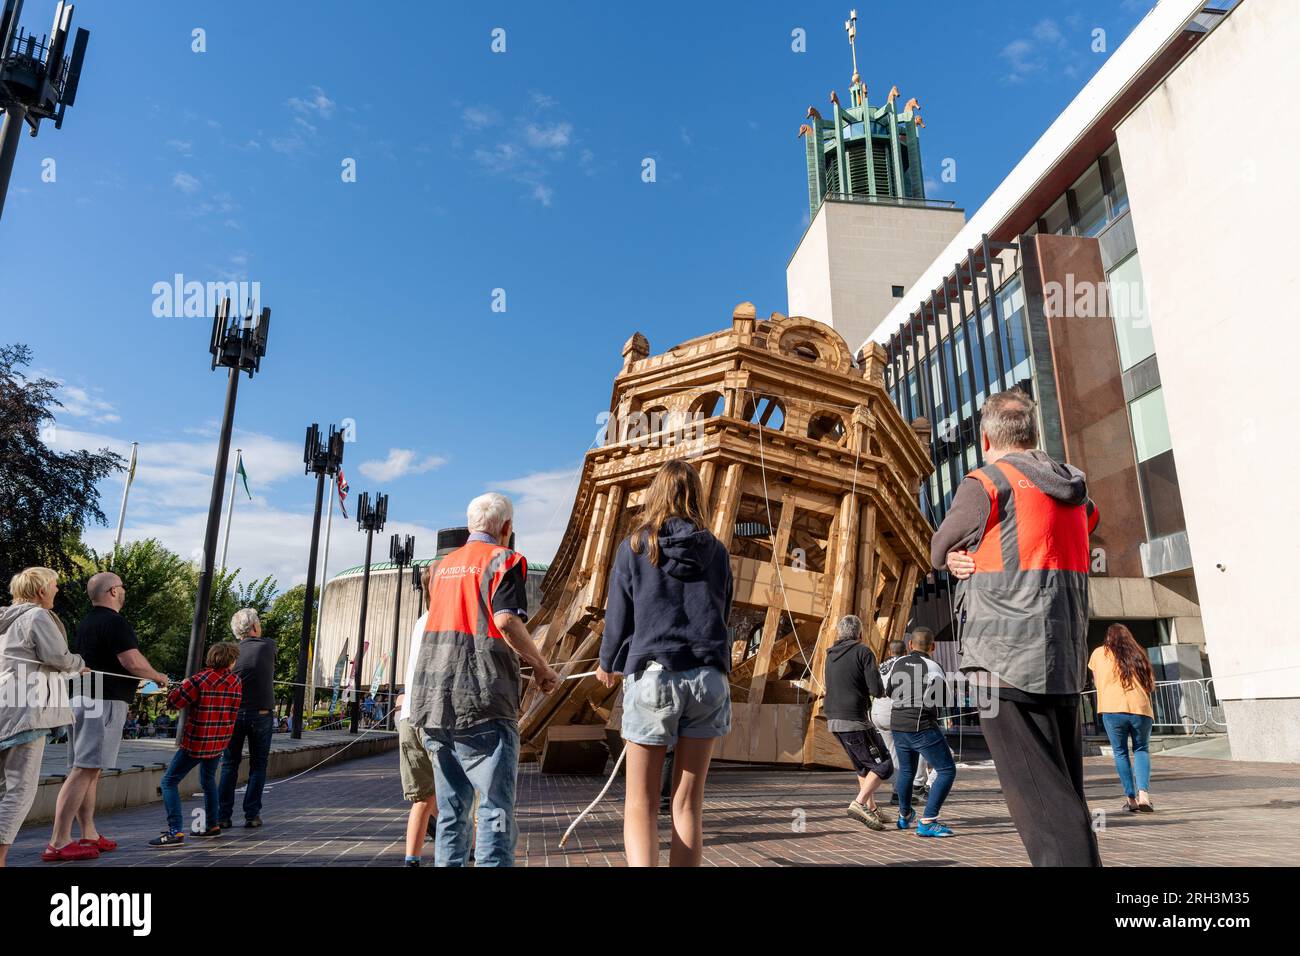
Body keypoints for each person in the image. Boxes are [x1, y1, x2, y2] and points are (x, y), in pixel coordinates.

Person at [934, 388, 1102, 866]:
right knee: (1064, 791)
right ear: (1033, 434)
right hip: (1062, 659)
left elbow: (936, 545)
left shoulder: (986, 481)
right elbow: (1079, 525)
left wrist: (951, 555)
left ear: (987, 439)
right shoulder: (1073, 488)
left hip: (1000, 663)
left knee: (1042, 805)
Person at [407, 493, 560, 867]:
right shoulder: (504, 561)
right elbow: (507, 620)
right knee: (493, 810)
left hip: (433, 703)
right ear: (507, 528)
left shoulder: (442, 567)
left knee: (451, 811)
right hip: (483, 699)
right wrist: (541, 667)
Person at [596, 460, 734, 867]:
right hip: (708, 676)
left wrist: (609, 661)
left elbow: (618, 615)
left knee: (640, 800)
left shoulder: (636, 546)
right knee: (688, 803)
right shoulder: (717, 549)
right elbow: (722, 611)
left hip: (655, 673)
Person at [46, 571, 168, 862]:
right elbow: (132, 662)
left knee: (89, 769)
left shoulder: (88, 623)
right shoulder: (115, 622)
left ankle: (88, 834)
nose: (123, 591)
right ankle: (58, 841)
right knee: (83, 770)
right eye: (122, 587)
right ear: (113, 591)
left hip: (83, 698)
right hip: (104, 701)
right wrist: (158, 677)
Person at [0, 568, 88, 866]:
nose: (57, 590)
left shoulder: (6, 620)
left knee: (3, 789)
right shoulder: (37, 617)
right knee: (20, 791)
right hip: (27, 713)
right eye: (54, 585)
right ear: (40, 590)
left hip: (5, 711)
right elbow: (59, 658)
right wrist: (79, 663)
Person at [149, 642, 243, 848]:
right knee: (208, 780)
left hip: (197, 741)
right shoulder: (236, 681)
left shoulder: (198, 680)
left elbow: (174, 703)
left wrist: (183, 686)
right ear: (231, 660)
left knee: (169, 782)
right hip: (218, 741)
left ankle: (175, 831)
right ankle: (212, 824)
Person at [823, 615, 893, 831]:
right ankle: (859, 803)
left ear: (839, 633)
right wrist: (884, 690)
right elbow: (875, 688)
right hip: (854, 718)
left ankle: (871, 807)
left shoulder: (830, 655)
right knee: (884, 764)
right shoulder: (863, 652)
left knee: (863, 766)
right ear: (860, 634)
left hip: (833, 719)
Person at [887, 627, 957, 837]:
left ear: (910, 645)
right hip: (921, 725)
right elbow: (943, 700)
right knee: (946, 769)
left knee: (907, 771)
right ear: (933, 647)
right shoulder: (933, 666)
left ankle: (904, 815)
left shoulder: (898, 663)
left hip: (898, 724)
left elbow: (889, 691)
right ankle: (928, 820)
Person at [217, 608, 276, 830]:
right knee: (258, 765)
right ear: (254, 627)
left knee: (229, 764)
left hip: (233, 714)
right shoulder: (268, 646)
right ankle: (252, 814)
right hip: (261, 714)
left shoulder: (230, 653)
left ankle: (223, 815)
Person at [1089, 624, 1156, 814]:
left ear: (1108, 638)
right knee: (1141, 750)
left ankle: (1131, 799)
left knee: (1120, 753)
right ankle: (1144, 795)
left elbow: (1096, 680)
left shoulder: (1098, 654)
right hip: (1140, 708)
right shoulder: (1138, 653)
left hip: (1111, 708)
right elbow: (1150, 684)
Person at [397, 565, 438, 866]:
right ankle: (467, 849)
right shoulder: (441, 620)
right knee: (458, 792)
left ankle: (412, 859)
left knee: (423, 799)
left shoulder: (420, 621)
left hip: (408, 716)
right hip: (432, 718)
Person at [871, 638, 930, 806]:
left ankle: (898, 792)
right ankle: (916, 785)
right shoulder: (904, 664)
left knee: (894, 753)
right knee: (917, 746)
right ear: (906, 651)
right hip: (895, 712)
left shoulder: (882, 665)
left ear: (890, 652)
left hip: (877, 713)